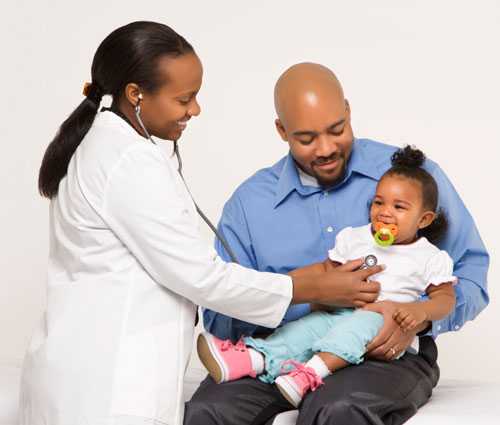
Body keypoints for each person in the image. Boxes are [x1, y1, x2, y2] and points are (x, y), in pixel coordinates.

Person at [19, 25, 384, 425]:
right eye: (185, 98)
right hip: (108, 385)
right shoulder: (128, 162)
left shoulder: (110, 148)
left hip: (87, 374)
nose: (195, 110)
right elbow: (199, 277)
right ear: (136, 94)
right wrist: (305, 288)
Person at [185, 63, 490, 425]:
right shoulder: (250, 205)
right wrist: (301, 296)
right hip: (284, 345)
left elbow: (469, 275)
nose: (327, 148)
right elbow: (220, 317)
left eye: (337, 129)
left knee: (337, 410)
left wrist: (415, 319)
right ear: (282, 131)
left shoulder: (411, 179)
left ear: (347, 110)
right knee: (208, 412)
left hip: (382, 353)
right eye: (306, 138)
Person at [196, 146, 457, 409]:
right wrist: (288, 289)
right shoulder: (354, 237)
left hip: (382, 322)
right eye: (379, 202)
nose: (385, 212)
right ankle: (253, 359)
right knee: (304, 329)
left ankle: (310, 374)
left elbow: (445, 299)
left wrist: (419, 312)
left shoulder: (429, 256)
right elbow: (324, 271)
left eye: (399, 207)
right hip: (338, 313)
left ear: (424, 219)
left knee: (356, 328)